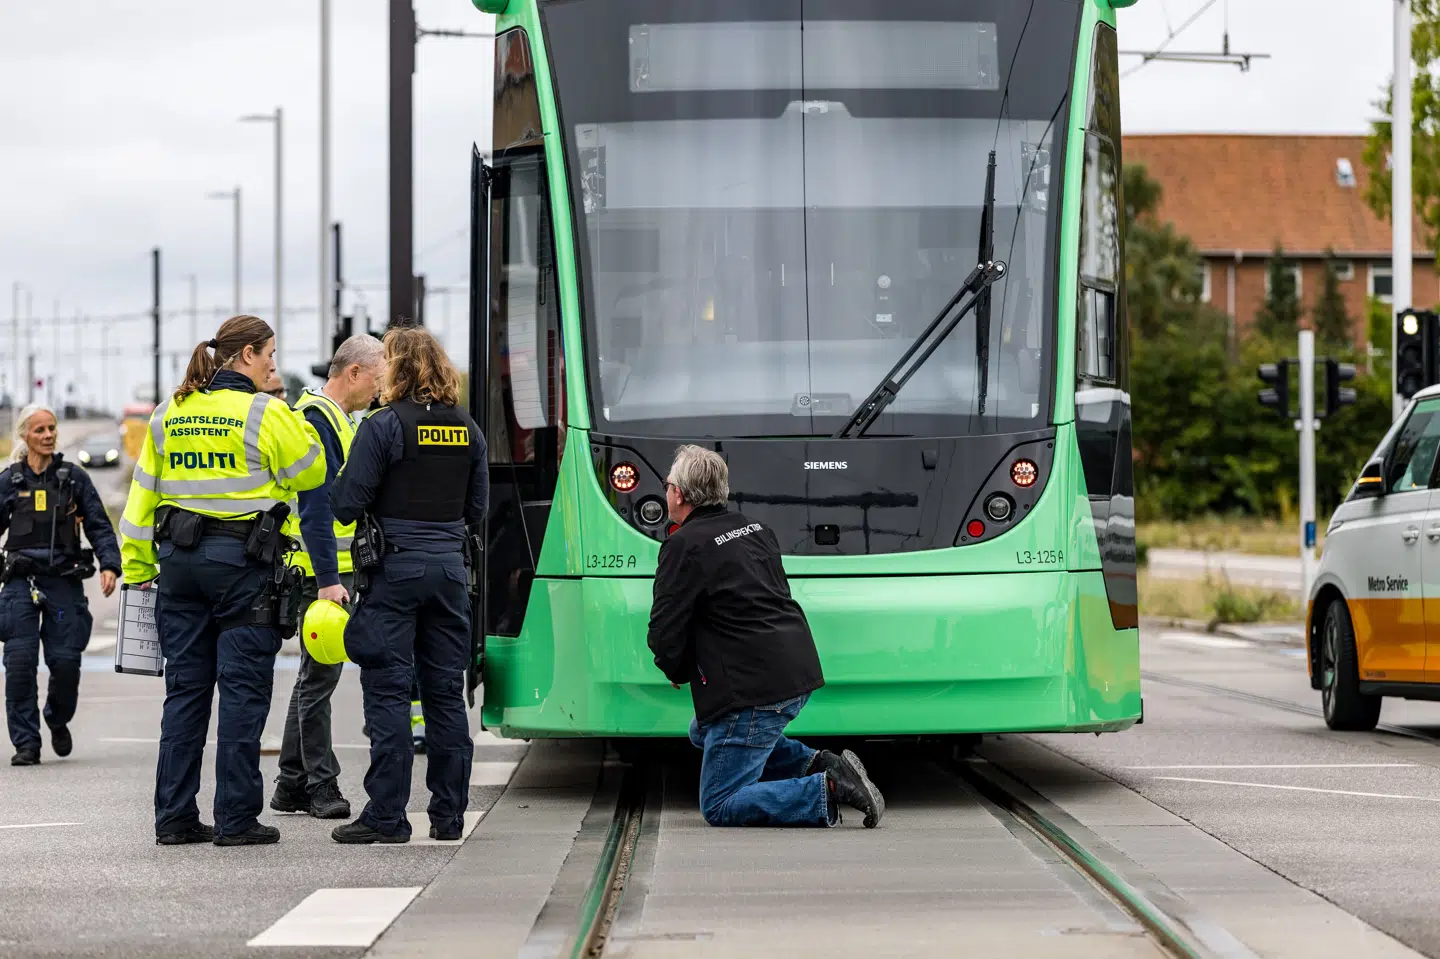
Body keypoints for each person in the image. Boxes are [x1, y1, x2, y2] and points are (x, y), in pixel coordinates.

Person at [119, 315, 327, 847]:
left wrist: (139, 571)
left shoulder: (170, 411)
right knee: (242, 694)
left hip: (178, 568)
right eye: (270, 354)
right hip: (243, 569)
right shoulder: (264, 411)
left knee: (185, 695)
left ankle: (174, 818)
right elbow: (311, 470)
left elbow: (141, 500)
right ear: (248, 355)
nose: (273, 364)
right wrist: (297, 417)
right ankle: (236, 820)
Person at [647, 445, 884, 828]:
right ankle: (821, 764)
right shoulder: (756, 529)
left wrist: (674, 667)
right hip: (795, 669)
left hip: (755, 689)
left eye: (667, 484)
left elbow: (664, 627)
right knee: (703, 730)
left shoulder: (683, 545)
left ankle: (826, 789)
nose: (667, 491)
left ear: (680, 494)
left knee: (720, 804)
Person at [328, 326, 487, 844]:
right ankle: (449, 817)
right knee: (444, 696)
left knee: (389, 693)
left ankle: (387, 816)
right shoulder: (468, 429)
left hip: (394, 573)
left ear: (396, 369)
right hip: (450, 573)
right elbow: (478, 509)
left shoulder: (384, 425)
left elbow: (346, 504)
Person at [269, 334, 383, 820]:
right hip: (324, 573)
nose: (380, 389)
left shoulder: (335, 418)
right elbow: (316, 509)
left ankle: (290, 784)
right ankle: (320, 785)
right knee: (320, 677)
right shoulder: (317, 421)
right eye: (377, 378)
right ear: (353, 373)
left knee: (314, 676)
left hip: (329, 569)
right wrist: (328, 580)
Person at [0, 405, 121, 765]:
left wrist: (109, 565)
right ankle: (26, 743)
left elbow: (98, 524)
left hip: (64, 581)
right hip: (20, 582)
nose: (48, 435)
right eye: (40, 430)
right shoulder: (10, 481)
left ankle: (57, 717)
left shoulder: (73, 478)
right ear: (25, 435)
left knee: (66, 663)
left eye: (52, 428)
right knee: (19, 665)